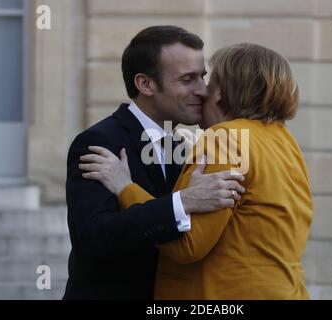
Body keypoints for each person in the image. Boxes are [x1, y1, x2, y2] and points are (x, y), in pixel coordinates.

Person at [81, 43, 313, 299]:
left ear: (225, 92)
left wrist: (125, 187)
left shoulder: (225, 137)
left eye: (210, 82)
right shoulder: (285, 141)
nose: (202, 91)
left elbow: (187, 246)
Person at [63, 26, 246, 300]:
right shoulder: (99, 142)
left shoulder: (183, 146)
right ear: (145, 84)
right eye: (187, 79)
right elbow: (95, 237)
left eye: (202, 77)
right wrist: (183, 202)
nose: (203, 90)